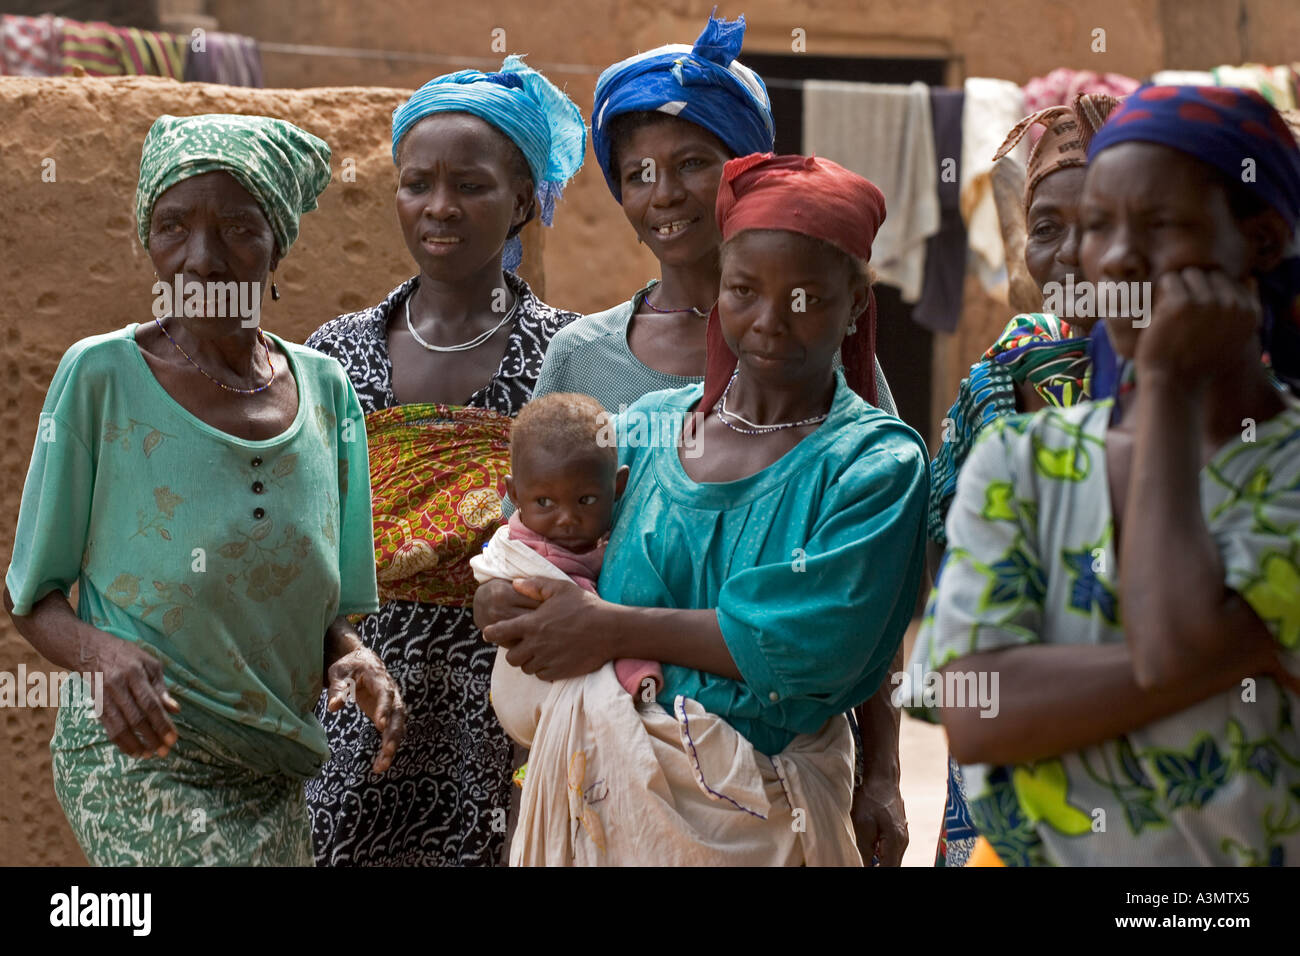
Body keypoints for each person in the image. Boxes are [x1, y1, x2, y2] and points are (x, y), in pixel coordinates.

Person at [523, 13, 908, 864]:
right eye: (639, 174)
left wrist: (882, 767)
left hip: (772, 773)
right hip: (609, 759)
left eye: (694, 164)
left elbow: (854, 605)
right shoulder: (598, 373)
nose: (664, 194)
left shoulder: (850, 425)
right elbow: (547, 540)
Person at [2, 113, 403, 866]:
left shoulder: (326, 394)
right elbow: (33, 599)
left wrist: (354, 659)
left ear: (277, 242)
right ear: (147, 242)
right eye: (172, 226)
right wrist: (102, 656)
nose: (202, 259)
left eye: (238, 229)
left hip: (275, 768)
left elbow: (328, 615)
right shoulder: (101, 378)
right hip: (145, 749)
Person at [920, 85, 1300, 865]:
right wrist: (1237, 651)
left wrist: (1162, 389)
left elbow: (1173, 643)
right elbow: (976, 713)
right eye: (1100, 226)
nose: (1115, 257)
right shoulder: (1020, 460)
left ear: (1259, 239)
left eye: (1160, 224)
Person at [304, 56, 585, 866]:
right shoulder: (336, 355)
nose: (438, 207)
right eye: (416, 182)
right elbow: (305, 540)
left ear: (525, 200)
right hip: (351, 701)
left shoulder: (562, 359)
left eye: (470, 185)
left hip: (505, 717)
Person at [916, 92, 1121, 867]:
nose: (1070, 255)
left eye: (1099, 223)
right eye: (1046, 229)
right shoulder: (1001, 375)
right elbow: (946, 549)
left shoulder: (1218, 384)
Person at [471, 393, 656, 700]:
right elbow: (592, 614)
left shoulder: (621, 536)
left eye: (586, 500)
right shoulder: (529, 552)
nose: (567, 519)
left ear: (618, 488)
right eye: (544, 502)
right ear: (514, 494)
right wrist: (640, 676)